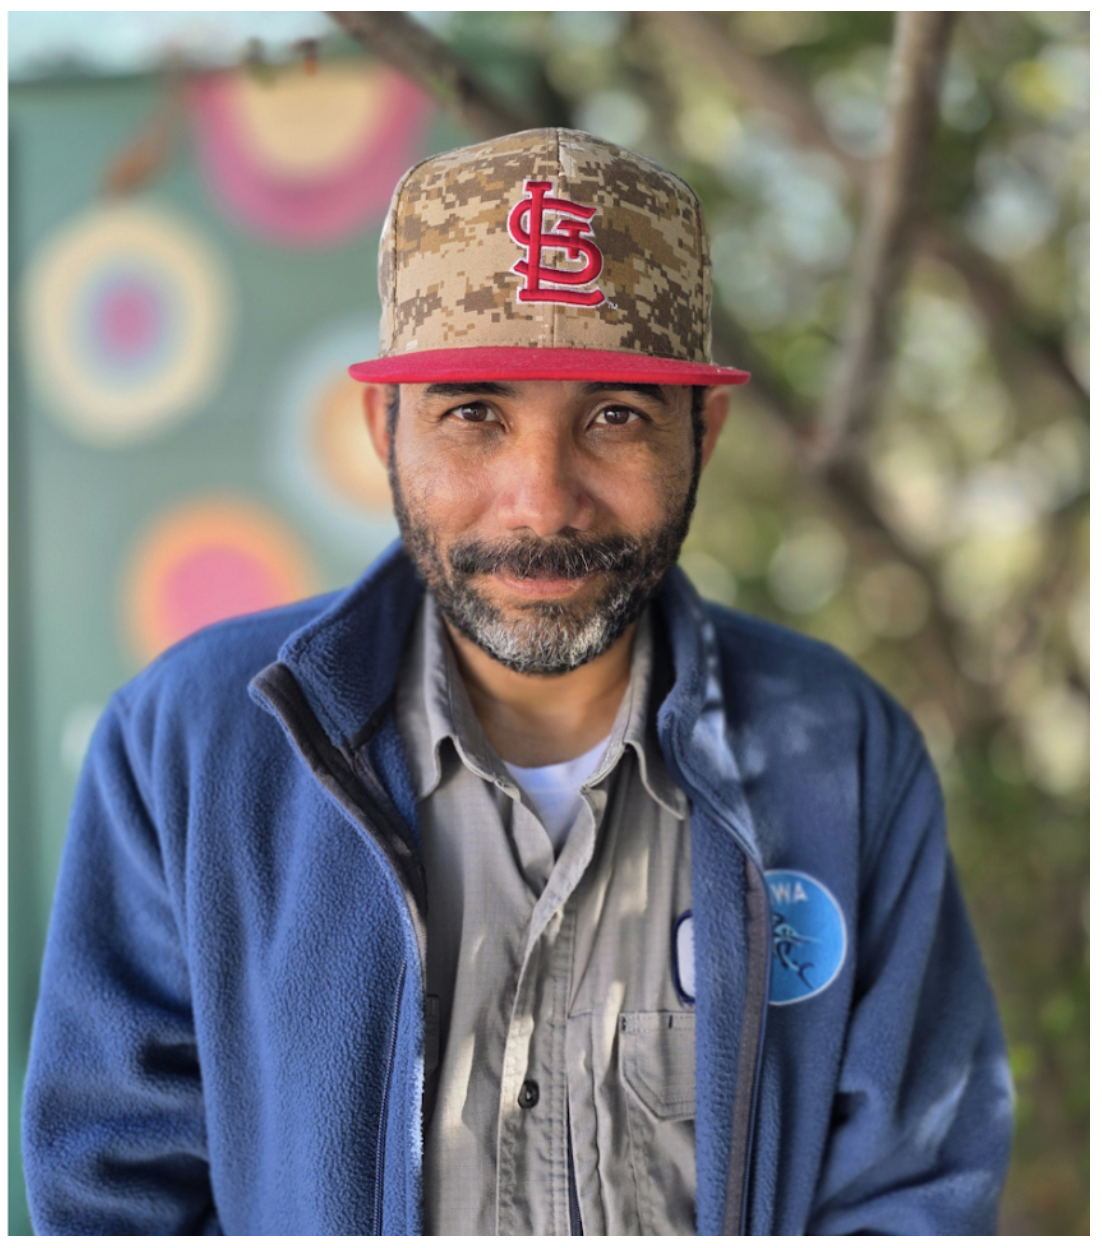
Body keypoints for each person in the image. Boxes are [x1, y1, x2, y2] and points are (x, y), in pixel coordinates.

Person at [23, 129, 1012, 1235]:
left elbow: (913, 1192)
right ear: (384, 427)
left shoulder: (841, 754)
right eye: (474, 414)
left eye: (616, 415)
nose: (541, 501)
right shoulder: (191, 746)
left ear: (705, 432)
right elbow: (111, 1193)